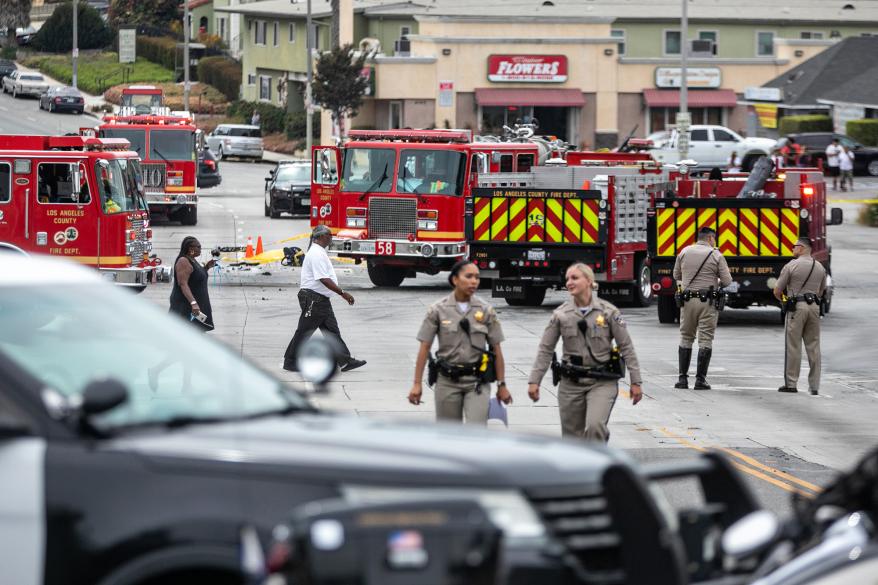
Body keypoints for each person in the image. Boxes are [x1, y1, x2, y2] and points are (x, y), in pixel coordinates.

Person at [526, 263, 642, 442]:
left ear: (589, 281)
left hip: (602, 382)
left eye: (574, 278)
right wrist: (534, 381)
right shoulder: (561, 314)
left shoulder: (609, 312)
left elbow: (626, 346)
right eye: (567, 279)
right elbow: (545, 349)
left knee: (595, 426)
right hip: (570, 383)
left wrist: (636, 381)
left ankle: (598, 442)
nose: (569, 283)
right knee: (572, 440)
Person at [408, 260, 512, 424]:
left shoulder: (486, 311)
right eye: (468, 276)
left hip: (477, 382)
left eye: (477, 277)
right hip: (447, 382)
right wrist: (416, 384)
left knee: (477, 433)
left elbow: (497, 349)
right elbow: (424, 346)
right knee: (449, 436)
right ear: (455, 279)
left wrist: (502, 384)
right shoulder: (438, 310)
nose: (474, 281)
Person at [283, 225, 366, 372]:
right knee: (304, 331)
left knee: (332, 332)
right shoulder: (316, 254)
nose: (331, 237)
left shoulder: (319, 252)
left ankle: (345, 361)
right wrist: (343, 293)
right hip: (313, 299)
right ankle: (290, 361)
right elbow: (323, 279)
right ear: (321, 237)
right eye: (329, 235)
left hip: (320, 300)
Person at [673, 227, 733, 390]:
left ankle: (682, 380)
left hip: (687, 301)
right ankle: (700, 380)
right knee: (705, 339)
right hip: (707, 303)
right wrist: (716, 280)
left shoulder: (684, 252)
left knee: (686, 337)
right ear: (710, 238)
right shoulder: (716, 255)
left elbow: (676, 276)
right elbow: (727, 282)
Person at [774, 237, 827, 395]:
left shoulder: (792, 265)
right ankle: (815, 386)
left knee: (793, 346)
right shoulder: (819, 267)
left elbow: (777, 290)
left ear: (802, 248)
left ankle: (791, 383)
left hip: (797, 307)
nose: (792, 249)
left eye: (794, 246)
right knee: (814, 346)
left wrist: (785, 301)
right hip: (814, 307)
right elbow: (822, 290)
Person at [168, 236, 215, 330]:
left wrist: (206, 267)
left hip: (197, 304)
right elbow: (183, 284)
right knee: (187, 331)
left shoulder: (192, 259)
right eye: (198, 247)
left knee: (197, 331)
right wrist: (193, 303)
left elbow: (195, 277)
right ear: (190, 248)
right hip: (186, 305)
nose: (200, 249)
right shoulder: (183, 261)